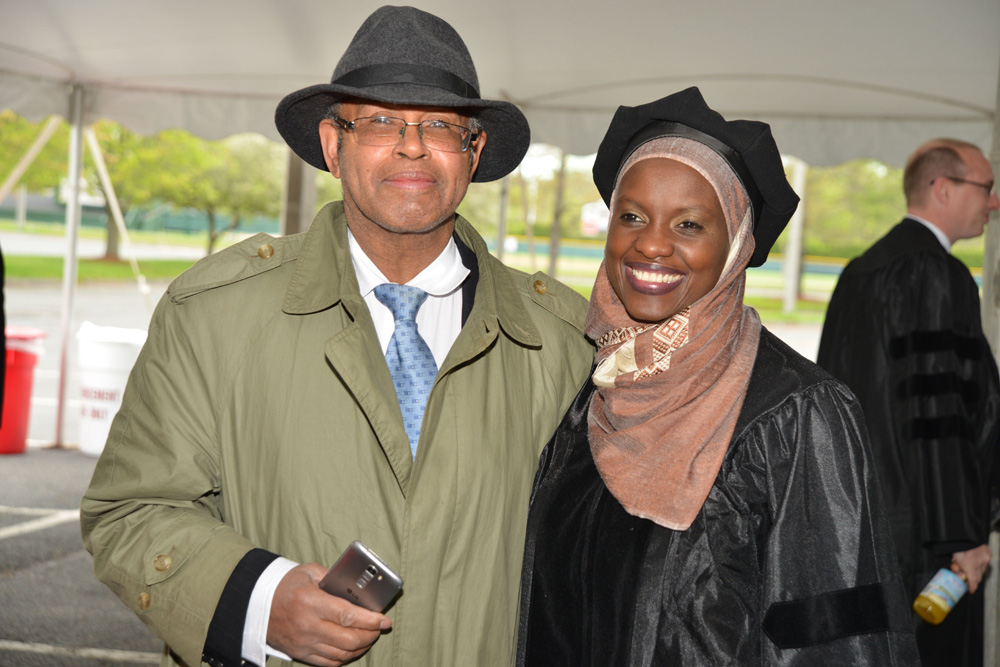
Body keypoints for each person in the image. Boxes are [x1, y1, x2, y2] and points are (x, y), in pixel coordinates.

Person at [80, 7, 593, 667]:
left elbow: (594, 560)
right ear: (332, 145)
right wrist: (256, 600)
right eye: (379, 122)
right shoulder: (212, 315)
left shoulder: (562, 343)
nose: (412, 146)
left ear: (473, 152)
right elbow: (130, 509)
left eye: (440, 125)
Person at [515, 87, 920, 666]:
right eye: (631, 216)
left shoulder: (797, 415)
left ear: (736, 247)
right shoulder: (596, 388)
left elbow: (836, 638)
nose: (651, 244)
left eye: (689, 224)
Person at [817, 138, 1000, 666]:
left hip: (859, 523)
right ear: (943, 188)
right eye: (986, 188)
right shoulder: (938, 274)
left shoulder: (860, 270)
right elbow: (941, 417)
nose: (993, 202)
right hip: (927, 536)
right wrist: (963, 535)